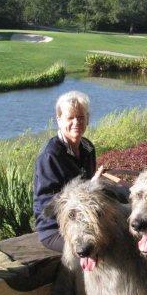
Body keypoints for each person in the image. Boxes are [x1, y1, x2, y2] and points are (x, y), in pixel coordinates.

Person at [33, 91, 96, 252]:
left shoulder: (88, 148)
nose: (76, 122)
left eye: (81, 117)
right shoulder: (50, 156)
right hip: (55, 229)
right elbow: (46, 207)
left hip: (85, 223)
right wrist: (86, 191)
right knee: (99, 249)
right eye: (70, 118)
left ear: (87, 119)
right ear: (59, 120)